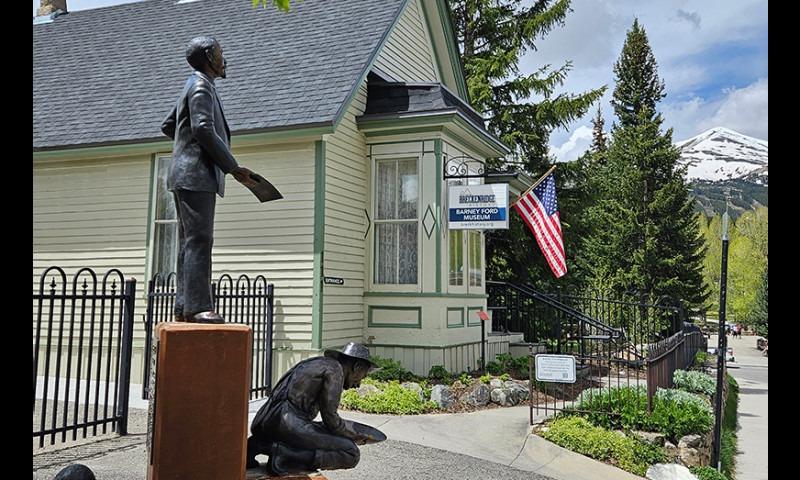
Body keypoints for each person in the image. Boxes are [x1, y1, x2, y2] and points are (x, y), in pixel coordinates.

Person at [160, 36, 255, 324]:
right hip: (196, 175)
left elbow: (169, 126)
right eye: (220, 54)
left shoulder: (193, 84)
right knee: (200, 240)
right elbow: (202, 129)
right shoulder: (201, 86)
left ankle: (183, 305)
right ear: (208, 57)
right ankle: (198, 307)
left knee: (189, 243)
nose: (224, 59)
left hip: (185, 173)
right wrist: (232, 166)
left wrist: (184, 145)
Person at [247, 343, 387, 476]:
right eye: (362, 377)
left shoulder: (319, 363)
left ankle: (262, 446)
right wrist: (357, 434)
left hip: (268, 422)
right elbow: (331, 421)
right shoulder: (335, 370)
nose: (358, 385)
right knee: (351, 452)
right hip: (288, 424)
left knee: (322, 433)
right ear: (357, 366)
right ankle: (286, 455)